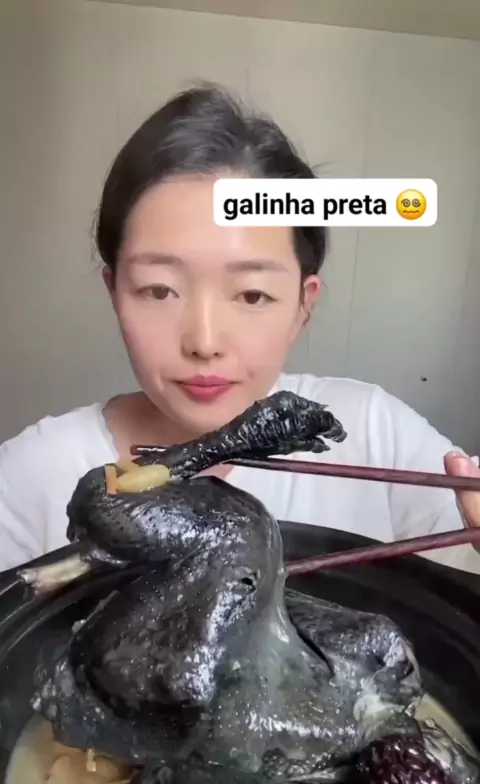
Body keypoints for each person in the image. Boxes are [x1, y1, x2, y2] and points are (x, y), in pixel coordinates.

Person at [0, 83, 479, 574]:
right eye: (160, 291)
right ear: (115, 292)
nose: (205, 343)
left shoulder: (378, 437)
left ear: (303, 306)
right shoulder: (29, 478)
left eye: (252, 295)